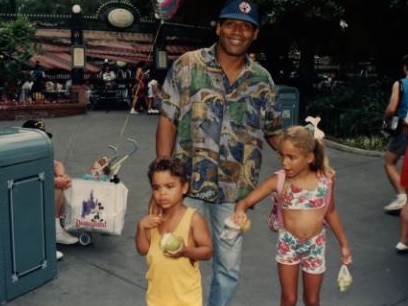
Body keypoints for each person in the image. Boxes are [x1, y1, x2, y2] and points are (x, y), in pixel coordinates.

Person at [154, 0, 282, 305]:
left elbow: (274, 131)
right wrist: (163, 179)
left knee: (228, 269)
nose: (238, 31)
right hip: (189, 187)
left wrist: (308, 148)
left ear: (255, 34)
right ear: (219, 27)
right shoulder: (188, 65)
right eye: (232, 24)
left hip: (236, 194)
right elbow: (167, 119)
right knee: (179, 257)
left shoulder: (262, 81)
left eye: (246, 26)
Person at [232, 124, 352, 306]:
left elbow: (331, 212)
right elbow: (245, 201)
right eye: (281, 156)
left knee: (312, 300)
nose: (284, 162)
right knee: (289, 299)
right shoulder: (278, 181)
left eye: (291, 157)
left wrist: (344, 244)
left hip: (315, 245)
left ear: (309, 158)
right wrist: (240, 211)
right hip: (288, 244)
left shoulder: (325, 181)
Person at [135, 156, 213, 306]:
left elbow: (208, 251)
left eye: (169, 186)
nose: (162, 193)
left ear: (184, 187)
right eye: (156, 188)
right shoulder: (153, 218)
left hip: (186, 301)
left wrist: (186, 251)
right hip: (156, 300)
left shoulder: (193, 219)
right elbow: (143, 249)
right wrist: (141, 227)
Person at [22, 120, 79, 261]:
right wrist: (55, 182)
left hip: (30, 192)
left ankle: (55, 230)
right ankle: (41, 245)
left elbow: (56, 163)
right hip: (19, 197)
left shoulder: (38, 150)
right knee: (56, 186)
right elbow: (27, 177)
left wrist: (60, 176)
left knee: (62, 185)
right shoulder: (22, 152)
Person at [383, 55, 408, 212]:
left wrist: (386, 119)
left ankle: (401, 196)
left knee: (389, 162)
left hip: (405, 128)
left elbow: (392, 108)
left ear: (405, 67)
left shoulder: (400, 84)